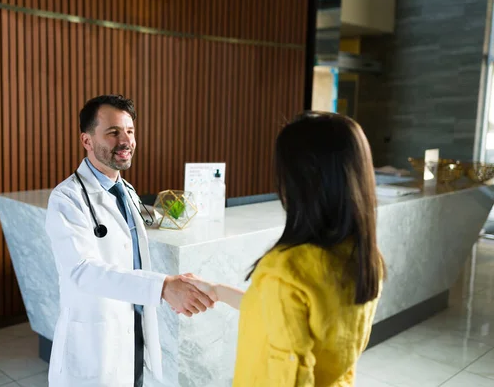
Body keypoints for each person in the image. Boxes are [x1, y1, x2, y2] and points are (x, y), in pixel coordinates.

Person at [182, 111, 386, 386]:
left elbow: (290, 376)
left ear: (302, 181)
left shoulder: (286, 268)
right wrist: (218, 291)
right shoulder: (361, 256)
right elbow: (283, 318)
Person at [45, 95, 216, 387]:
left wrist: (173, 284)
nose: (125, 140)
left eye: (130, 131)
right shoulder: (66, 199)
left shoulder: (126, 191)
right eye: (113, 132)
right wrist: (162, 287)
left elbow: (130, 254)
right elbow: (82, 271)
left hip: (134, 334)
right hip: (95, 343)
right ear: (87, 141)